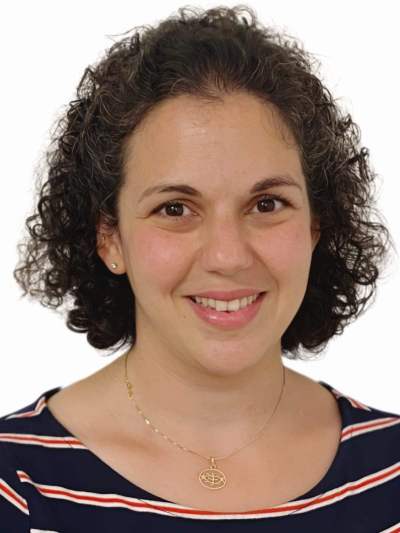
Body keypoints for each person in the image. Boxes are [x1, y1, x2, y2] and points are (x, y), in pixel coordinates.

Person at [1, 4, 399, 531]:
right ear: (109, 238)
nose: (227, 256)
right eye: (175, 209)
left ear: (315, 226)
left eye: (266, 204)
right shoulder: (17, 481)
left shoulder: (391, 469)